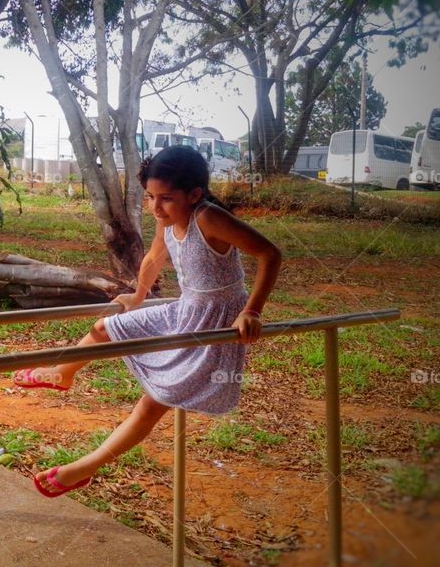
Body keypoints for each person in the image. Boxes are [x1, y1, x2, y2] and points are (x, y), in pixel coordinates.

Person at [14, 145, 281, 497]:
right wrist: (137, 297)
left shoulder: (209, 218)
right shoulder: (167, 220)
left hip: (215, 323)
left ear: (195, 194)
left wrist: (252, 310)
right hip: (185, 309)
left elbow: (270, 253)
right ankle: (64, 372)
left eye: (166, 198)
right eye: (151, 197)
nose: (156, 207)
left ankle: (81, 470)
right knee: (105, 326)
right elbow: (155, 257)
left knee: (151, 405)